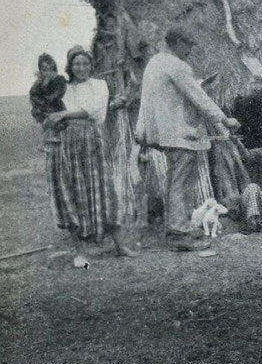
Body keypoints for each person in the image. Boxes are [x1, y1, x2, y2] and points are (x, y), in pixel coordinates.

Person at [135, 27, 240, 251]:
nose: (190, 50)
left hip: (162, 132)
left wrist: (144, 130)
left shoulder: (154, 63)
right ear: (179, 42)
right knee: (181, 184)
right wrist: (224, 119)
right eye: (189, 45)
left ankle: (175, 229)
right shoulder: (177, 65)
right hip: (179, 132)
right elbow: (198, 96)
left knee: (174, 182)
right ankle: (180, 233)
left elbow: (150, 100)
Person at [42, 46, 136, 257]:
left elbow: (94, 110)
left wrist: (63, 114)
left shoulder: (99, 85)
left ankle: (120, 245)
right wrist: (56, 117)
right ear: (70, 67)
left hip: (92, 141)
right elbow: (49, 113)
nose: (81, 68)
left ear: (91, 66)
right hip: (68, 144)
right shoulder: (64, 89)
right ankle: (81, 252)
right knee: (75, 193)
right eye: (77, 64)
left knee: (104, 190)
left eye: (85, 63)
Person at [29, 53, 67, 149]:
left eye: (51, 70)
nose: (48, 73)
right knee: (50, 122)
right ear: (41, 71)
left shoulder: (59, 80)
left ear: (55, 70)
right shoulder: (39, 83)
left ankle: (49, 140)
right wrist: (43, 86)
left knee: (58, 122)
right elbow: (33, 95)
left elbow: (59, 93)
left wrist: (48, 98)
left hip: (56, 106)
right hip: (43, 108)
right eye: (45, 70)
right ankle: (44, 142)